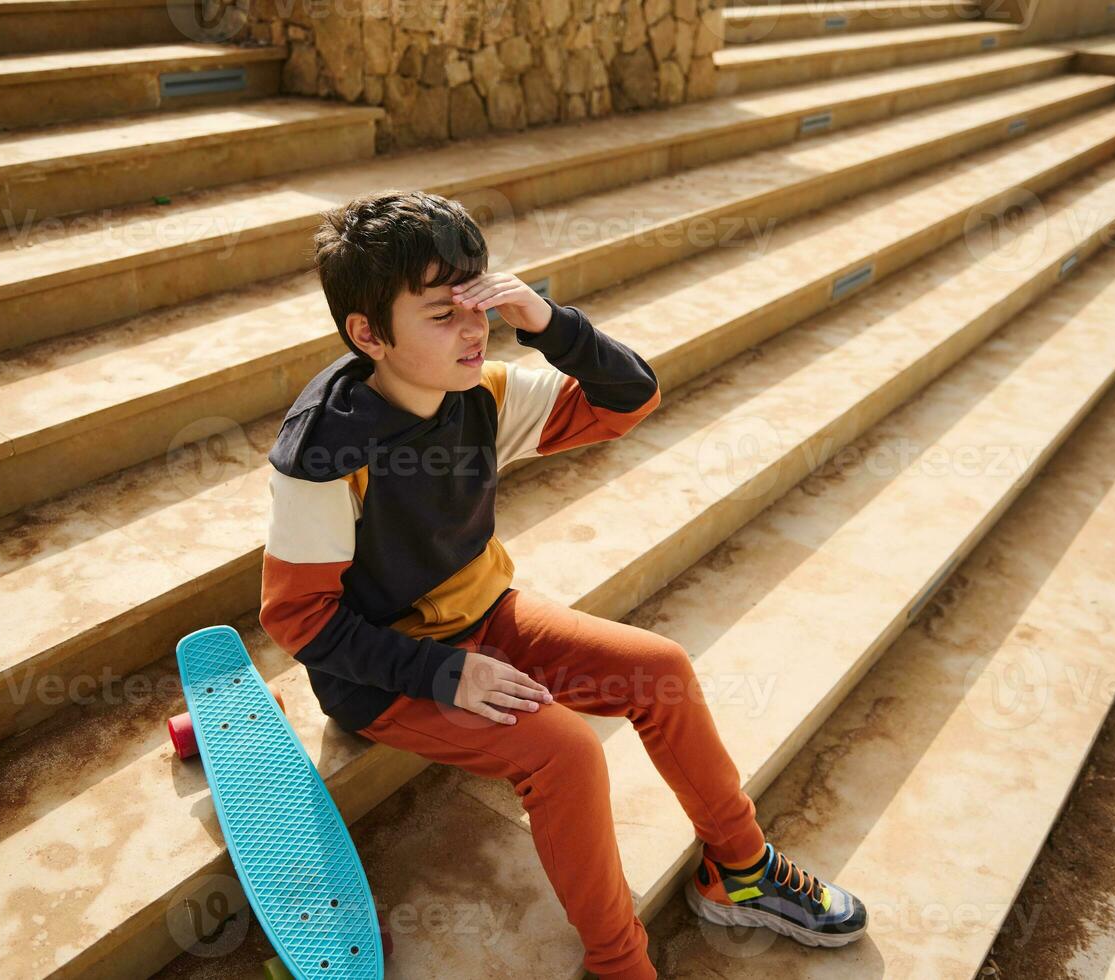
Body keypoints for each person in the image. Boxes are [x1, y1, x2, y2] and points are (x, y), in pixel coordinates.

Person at [259, 189, 866, 978]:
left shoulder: (482, 391)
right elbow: (298, 620)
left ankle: (740, 871)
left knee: (661, 671)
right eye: (441, 314)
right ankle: (620, 965)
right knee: (564, 753)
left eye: (476, 302)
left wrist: (547, 322)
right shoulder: (324, 455)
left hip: (484, 615)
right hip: (383, 674)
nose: (474, 329)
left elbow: (630, 398)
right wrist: (442, 672)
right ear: (367, 333)